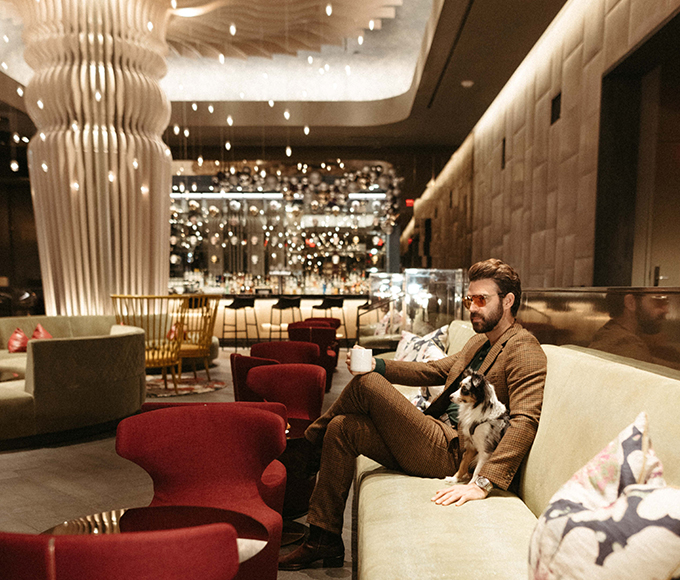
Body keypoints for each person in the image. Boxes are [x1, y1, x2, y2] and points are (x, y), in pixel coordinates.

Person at [278, 258, 547, 571]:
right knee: (342, 427)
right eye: (469, 300)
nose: (473, 308)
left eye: (481, 300)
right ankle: (322, 539)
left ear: (508, 300)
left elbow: (525, 420)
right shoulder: (479, 342)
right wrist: (378, 364)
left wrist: (483, 482)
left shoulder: (523, 349)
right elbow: (433, 370)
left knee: (367, 384)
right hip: (432, 433)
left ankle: (307, 448)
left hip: (455, 452)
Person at [589, 291, 680, 368]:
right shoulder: (623, 342)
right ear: (630, 303)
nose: (666, 310)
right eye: (658, 301)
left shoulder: (612, 332)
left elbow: (650, 360)